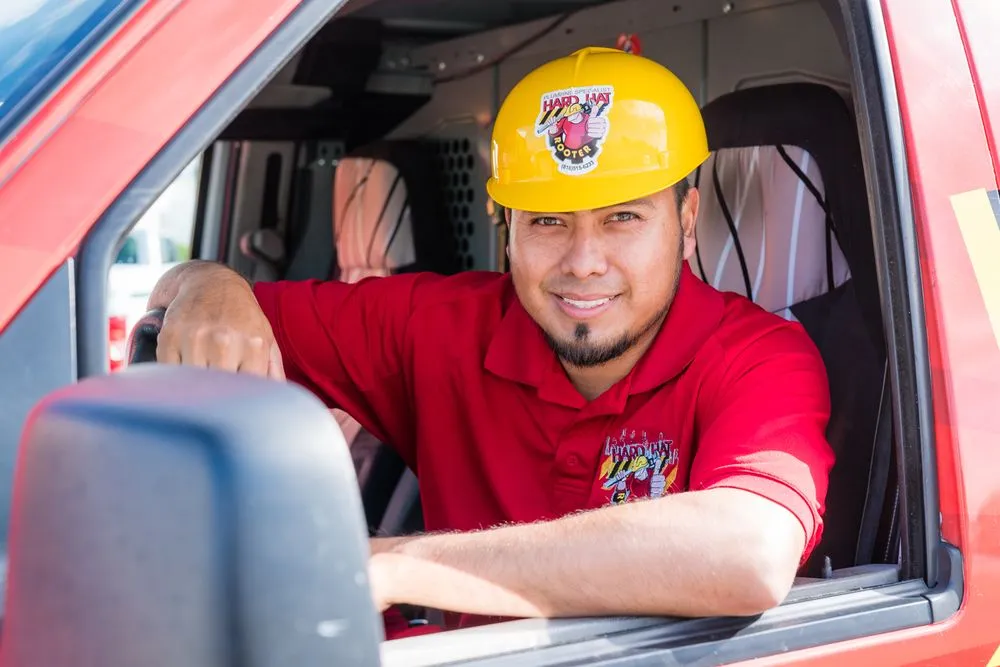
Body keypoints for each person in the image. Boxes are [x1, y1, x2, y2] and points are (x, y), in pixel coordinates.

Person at [148, 47, 834, 634]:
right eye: (547, 222)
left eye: (623, 217)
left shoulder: (758, 356)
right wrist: (206, 280)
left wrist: (395, 564)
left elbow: (748, 551)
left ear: (686, 221)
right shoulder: (436, 326)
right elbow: (203, 310)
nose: (584, 261)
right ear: (506, 226)